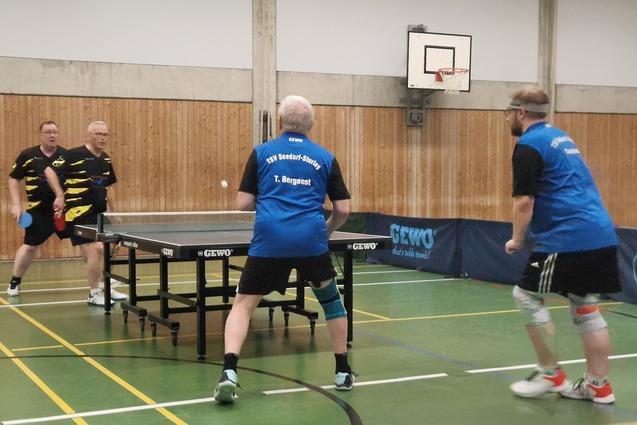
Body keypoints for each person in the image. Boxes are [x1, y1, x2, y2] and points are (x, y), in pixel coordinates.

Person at [213, 95, 353, 403]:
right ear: (311, 125)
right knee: (332, 303)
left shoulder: (262, 153)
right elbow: (343, 209)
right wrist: (327, 230)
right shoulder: (325, 157)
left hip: (270, 239)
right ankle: (342, 371)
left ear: (279, 122)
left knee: (243, 305)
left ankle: (229, 372)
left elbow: (243, 203)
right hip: (310, 240)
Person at [504, 87, 620, 404]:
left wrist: (518, 239)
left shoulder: (528, 145)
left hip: (567, 237)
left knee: (525, 295)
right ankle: (598, 386)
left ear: (520, 112)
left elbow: (524, 201)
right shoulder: (561, 138)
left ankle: (550, 373)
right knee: (585, 307)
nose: (508, 118)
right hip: (600, 234)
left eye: (509, 113)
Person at [47, 121, 127, 306]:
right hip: (78, 213)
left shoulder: (105, 159)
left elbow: (108, 187)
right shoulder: (73, 154)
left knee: (111, 247)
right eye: (98, 134)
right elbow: (49, 171)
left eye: (105, 134)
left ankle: (105, 286)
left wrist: (114, 212)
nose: (102, 138)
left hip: (100, 214)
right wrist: (60, 194)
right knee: (95, 251)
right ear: (89, 135)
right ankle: (93, 293)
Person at [6, 121, 66, 296]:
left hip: (63, 211)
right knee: (30, 247)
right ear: (40, 134)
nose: (52, 135)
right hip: (38, 211)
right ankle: (15, 283)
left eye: (55, 132)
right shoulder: (28, 155)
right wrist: (16, 204)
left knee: (88, 243)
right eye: (48, 132)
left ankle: (100, 285)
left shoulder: (66, 156)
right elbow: (14, 178)